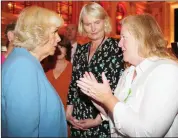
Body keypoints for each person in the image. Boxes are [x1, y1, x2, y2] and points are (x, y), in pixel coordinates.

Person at [76, 13, 178, 137]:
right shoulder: (128, 72)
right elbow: (118, 115)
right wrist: (98, 98)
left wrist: (108, 98)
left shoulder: (166, 71)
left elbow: (148, 133)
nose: (119, 45)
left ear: (141, 38)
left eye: (124, 37)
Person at [2, 6, 67, 137]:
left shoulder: (27, 61)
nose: (59, 39)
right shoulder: (22, 66)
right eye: (54, 32)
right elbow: (22, 132)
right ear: (38, 33)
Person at [66, 2, 124, 138]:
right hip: (78, 115)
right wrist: (68, 111)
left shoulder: (115, 48)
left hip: (102, 116)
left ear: (104, 22)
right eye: (87, 24)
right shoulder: (81, 49)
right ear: (82, 25)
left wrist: (97, 120)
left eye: (97, 22)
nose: (93, 28)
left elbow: (116, 88)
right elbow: (74, 82)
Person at [45, 34, 72, 110]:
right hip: (46, 112)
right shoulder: (45, 68)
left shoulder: (74, 69)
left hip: (66, 114)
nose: (59, 50)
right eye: (57, 47)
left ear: (67, 50)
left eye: (62, 47)